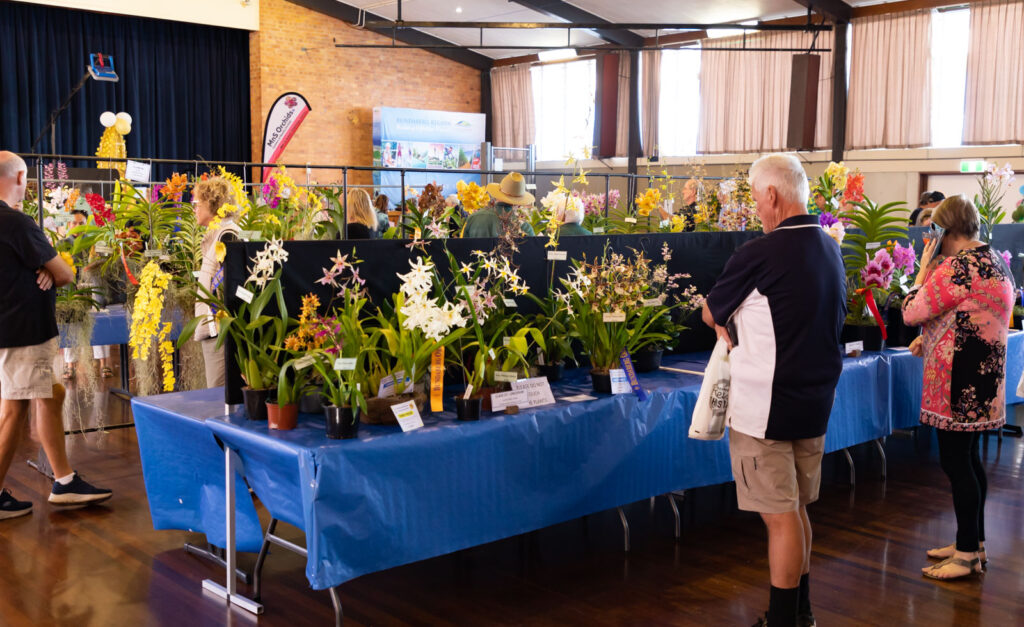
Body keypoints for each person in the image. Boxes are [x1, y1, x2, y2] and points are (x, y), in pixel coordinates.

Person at [701, 153, 846, 627]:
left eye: (755, 197)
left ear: (771, 195)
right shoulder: (829, 248)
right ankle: (800, 613)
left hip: (766, 407)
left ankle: (784, 620)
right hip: (816, 400)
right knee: (797, 509)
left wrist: (717, 313)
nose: (757, 208)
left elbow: (713, 312)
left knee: (779, 517)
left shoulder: (760, 254)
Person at [903, 195, 1014, 581]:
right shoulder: (995, 261)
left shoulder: (956, 268)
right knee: (969, 461)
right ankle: (973, 542)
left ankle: (966, 555)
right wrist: (932, 335)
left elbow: (910, 310)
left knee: (956, 463)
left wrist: (920, 273)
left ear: (944, 231)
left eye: (932, 231)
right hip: (985, 379)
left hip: (957, 381)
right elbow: (971, 314)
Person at [0, 151, 112, 519]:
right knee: (13, 411)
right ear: (19, 179)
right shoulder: (15, 223)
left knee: (51, 394)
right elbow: (64, 272)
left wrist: (45, 270)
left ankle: (64, 480)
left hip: (14, 329)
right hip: (22, 331)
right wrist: (51, 271)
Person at [192, 176, 240, 388]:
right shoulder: (218, 234)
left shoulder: (226, 235)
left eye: (197, 203)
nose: (194, 209)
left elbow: (226, 285)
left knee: (219, 391)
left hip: (219, 330)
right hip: (214, 328)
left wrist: (215, 323)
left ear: (212, 204)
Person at [462, 172, 536, 238]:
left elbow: (463, 248)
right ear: (518, 203)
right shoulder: (524, 227)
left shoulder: (473, 218)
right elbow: (533, 251)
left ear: (497, 195)